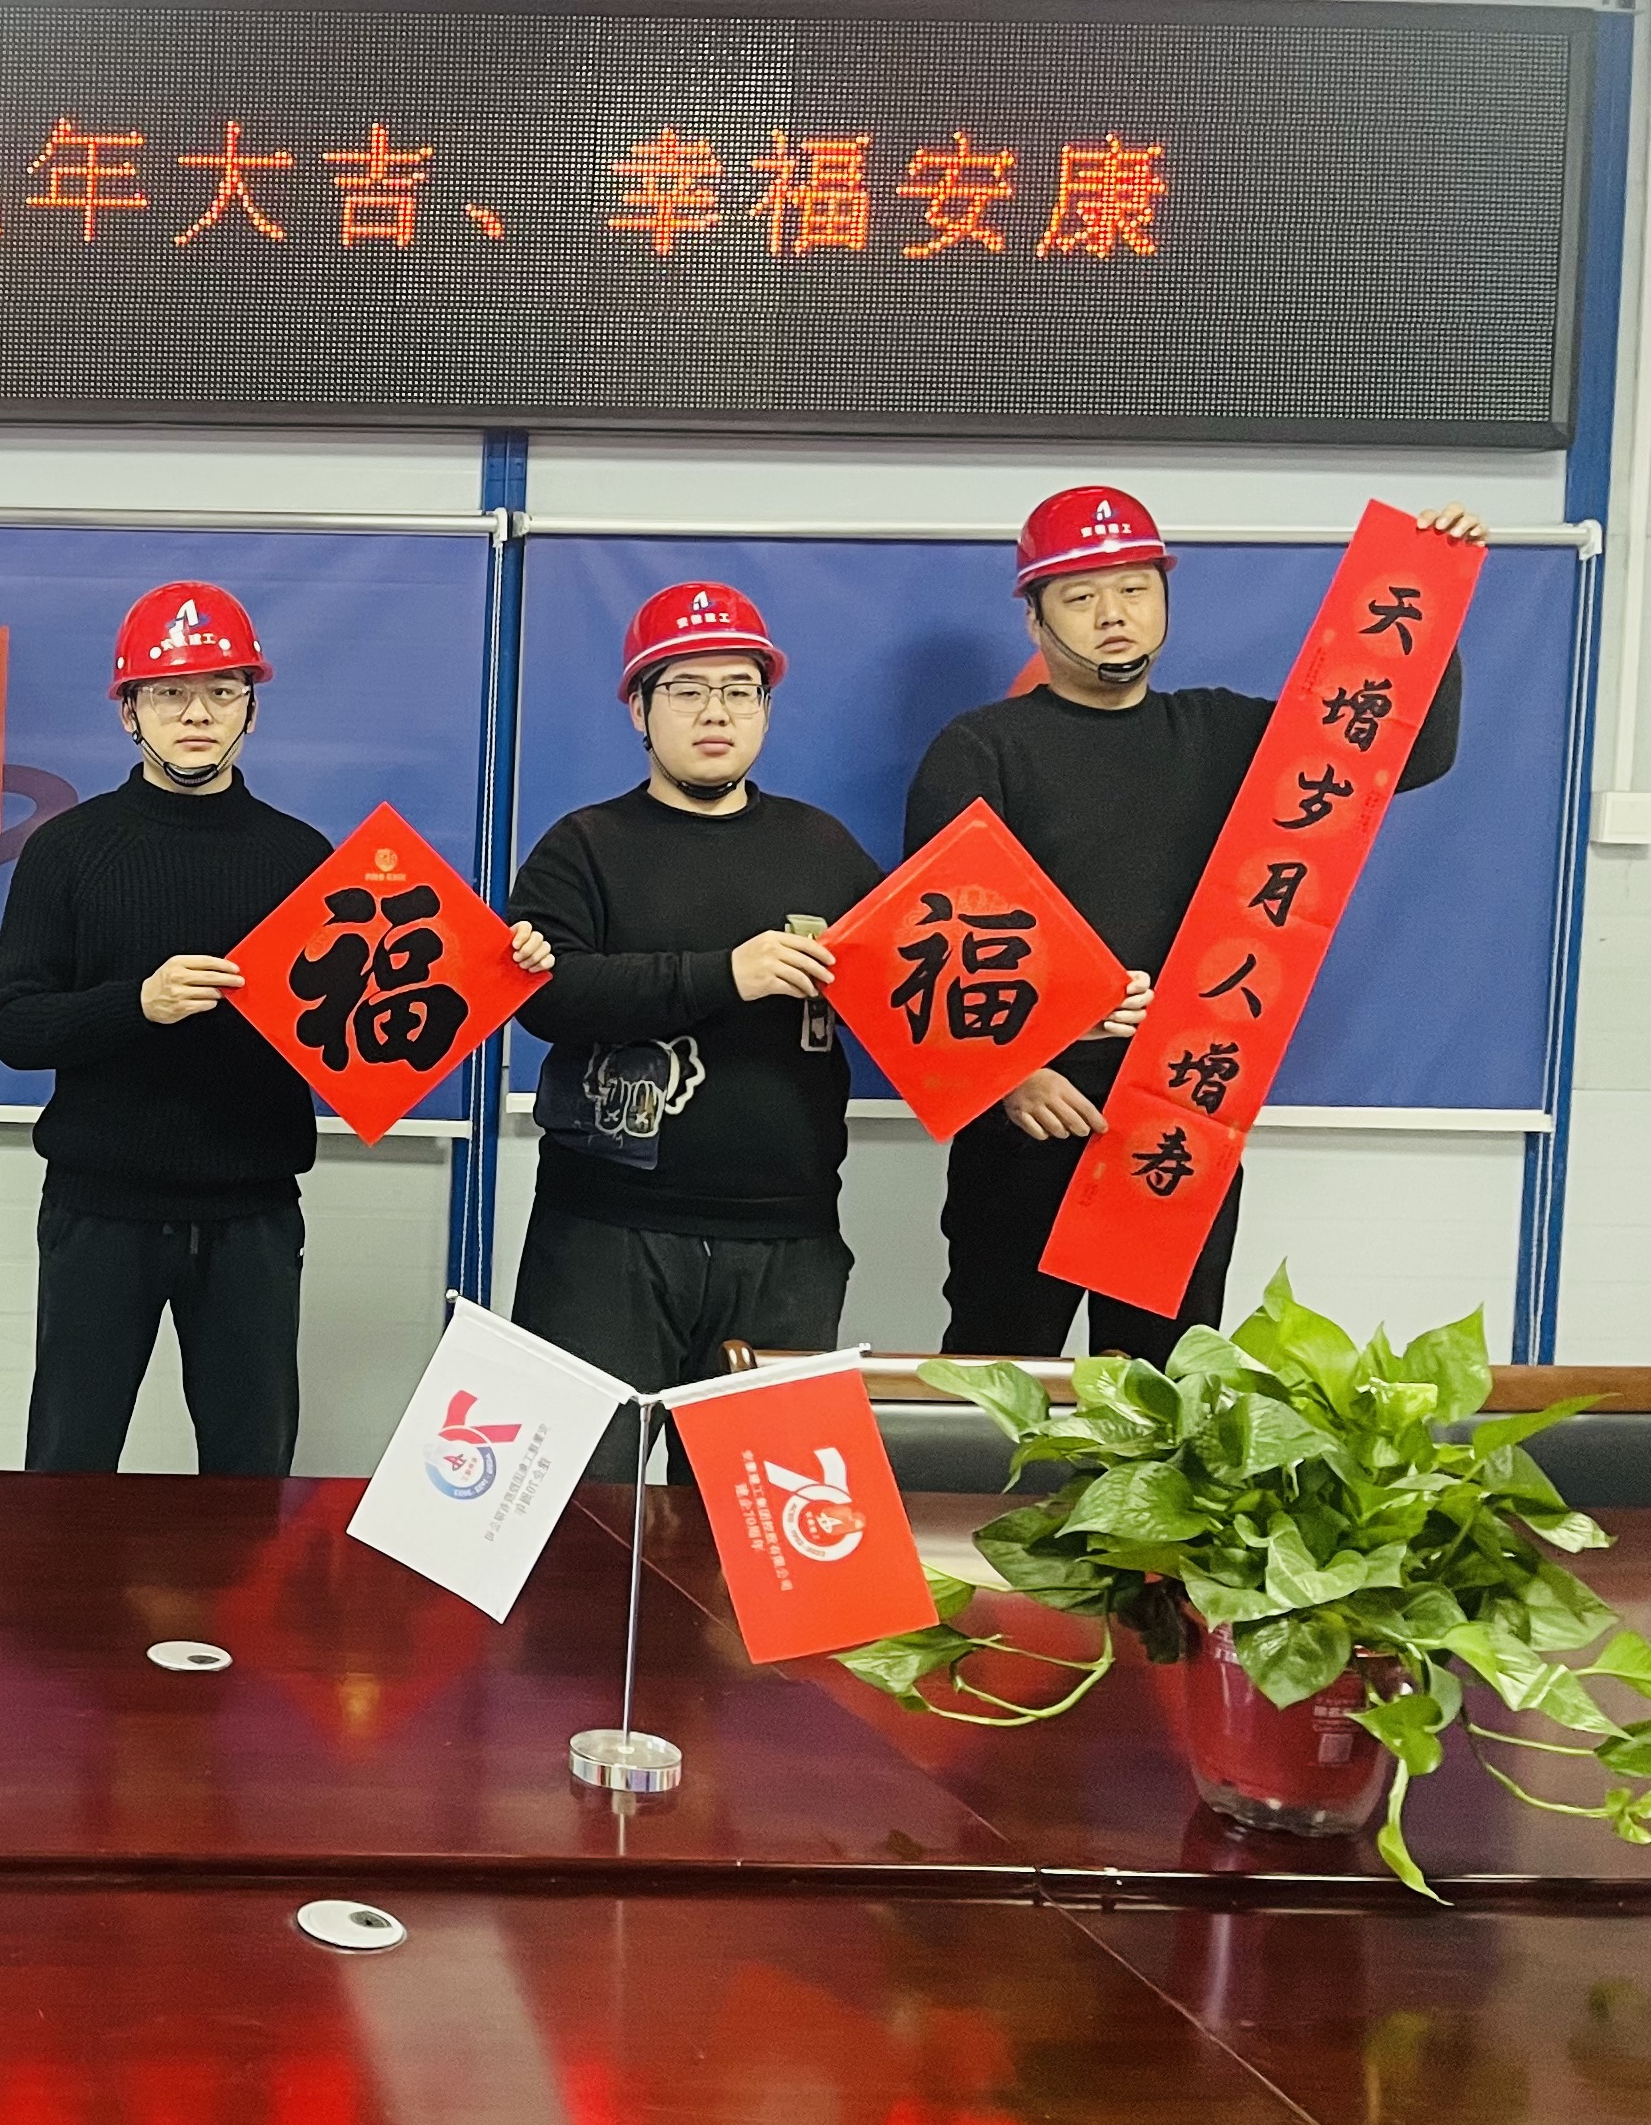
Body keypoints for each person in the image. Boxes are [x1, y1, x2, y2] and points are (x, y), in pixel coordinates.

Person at [0, 580, 551, 1478]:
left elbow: (378, 1011)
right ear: (129, 710)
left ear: (252, 707)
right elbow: (15, 1026)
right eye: (169, 693)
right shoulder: (67, 849)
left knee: (252, 1472)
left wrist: (502, 959)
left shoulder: (299, 856)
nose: (197, 714)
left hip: (251, 1213)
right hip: (99, 1210)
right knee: (68, 1462)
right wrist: (137, 1003)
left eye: (222, 690)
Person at [906, 486, 1483, 1360]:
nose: (1112, 614)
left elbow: (1401, 754)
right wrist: (1012, 1075)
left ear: (1165, 601)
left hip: (1184, 1107)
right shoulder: (983, 748)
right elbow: (930, 936)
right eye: (1080, 595)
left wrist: (1433, 590)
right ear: (1035, 618)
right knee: (1001, 1373)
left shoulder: (1222, 732)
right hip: (1033, 1118)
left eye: (1135, 589)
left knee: (1167, 1380)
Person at [506, 583, 880, 1426]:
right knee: (593, 1491)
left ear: (766, 710)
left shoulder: (824, 848)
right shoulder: (584, 846)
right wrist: (725, 975)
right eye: (685, 689)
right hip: (605, 1234)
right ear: (639, 709)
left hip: (789, 1239)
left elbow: (917, 990)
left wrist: (1062, 1020)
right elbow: (548, 995)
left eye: (741, 690)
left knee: (753, 1502)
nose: (717, 712)